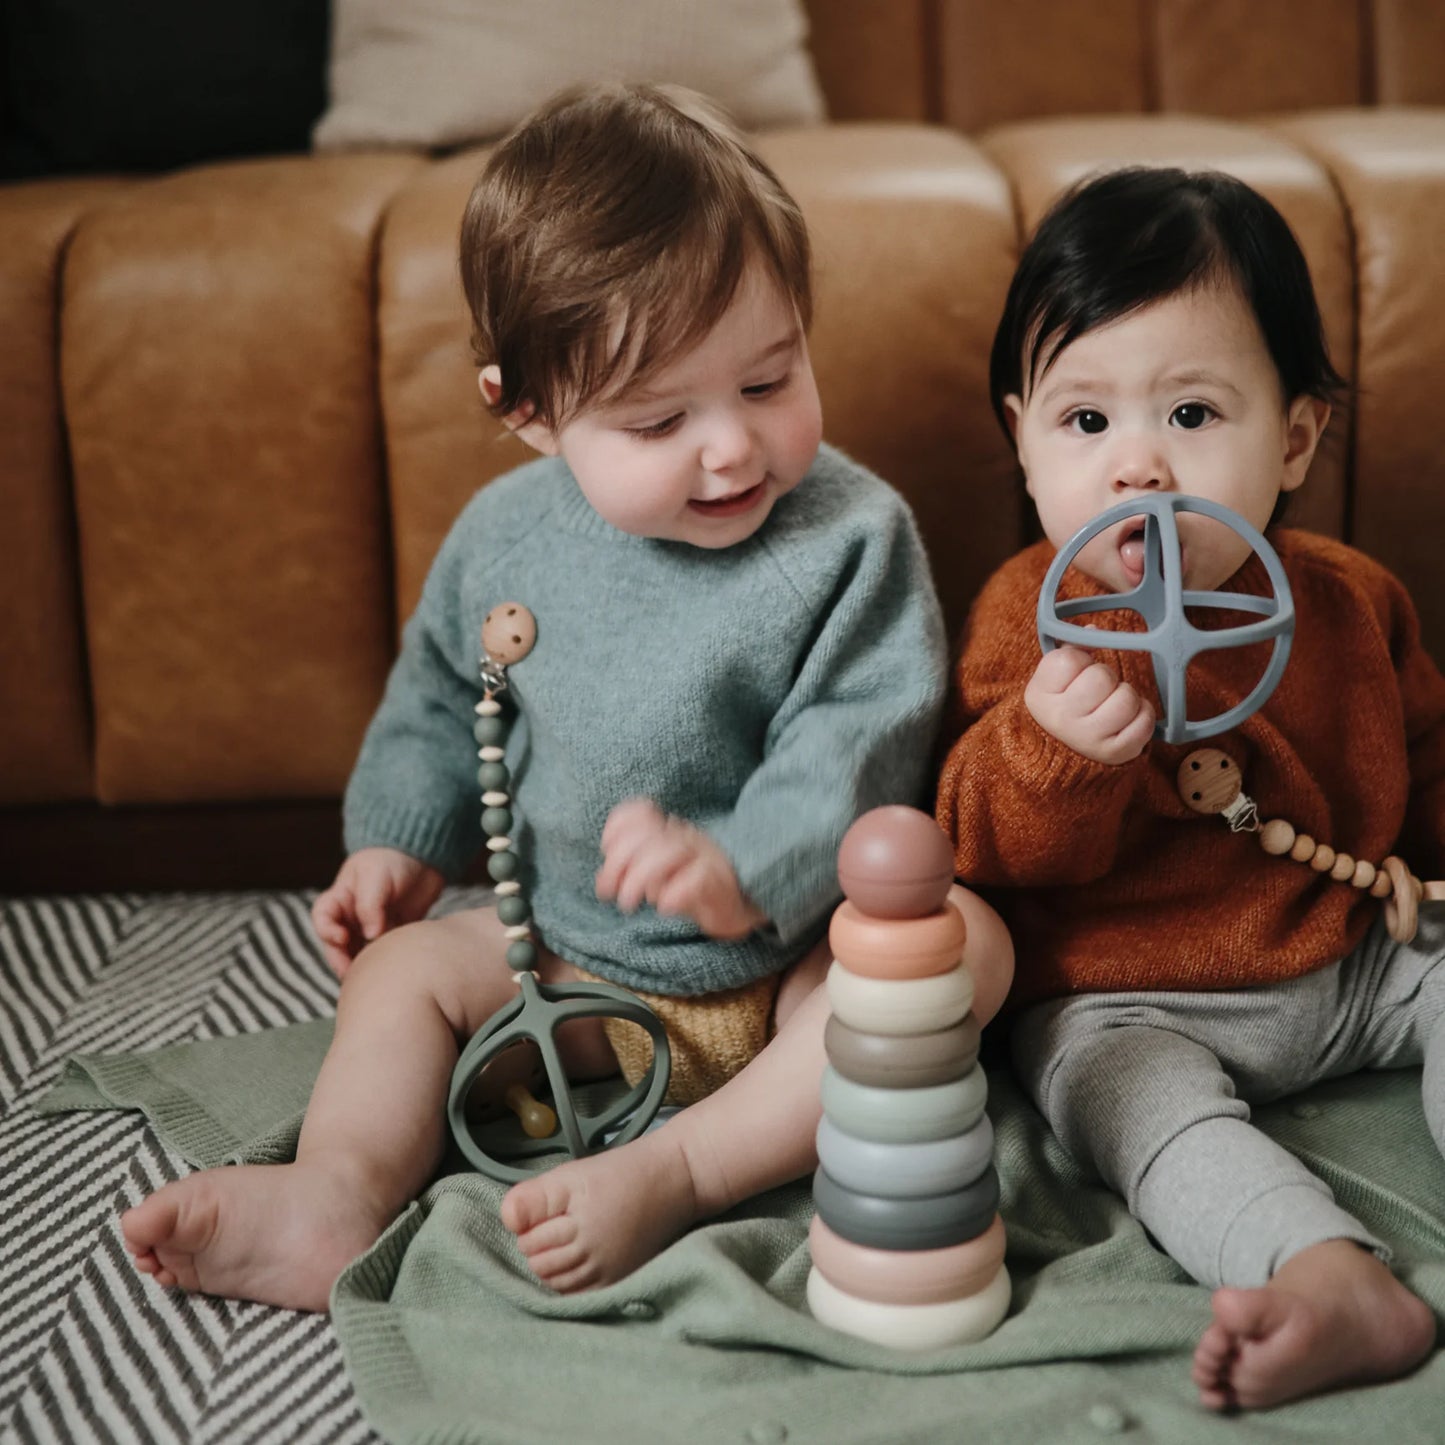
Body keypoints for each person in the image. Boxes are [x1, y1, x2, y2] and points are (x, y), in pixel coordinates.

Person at [119, 82, 954, 1311]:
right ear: (526, 411)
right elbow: (447, 690)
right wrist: (398, 841)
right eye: (659, 417)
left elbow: (860, 745)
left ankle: (676, 1170)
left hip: (783, 964)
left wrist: (739, 863)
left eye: (769, 382)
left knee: (925, 983)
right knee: (400, 973)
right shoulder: (505, 539)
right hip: (567, 970)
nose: (729, 447)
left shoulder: (852, 539)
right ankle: (337, 1191)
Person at [937, 167, 1445, 1411]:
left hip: (1347, 955)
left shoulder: (1349, 601)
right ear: (1020, 435)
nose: (1139, 471)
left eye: (1193, 413)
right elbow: (976, 844)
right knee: (1115, 1103)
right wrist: (1050, 749)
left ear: (1294, 436)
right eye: (1085, 422)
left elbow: (1424, 759)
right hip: (1129, 997)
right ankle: (1321, 1272)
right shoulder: (1025, 626)